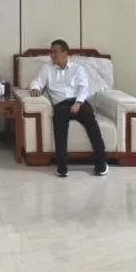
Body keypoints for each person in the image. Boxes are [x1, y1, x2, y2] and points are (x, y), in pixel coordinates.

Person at [29, 39, 108, 178]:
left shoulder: (78, 68)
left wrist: (78, 102)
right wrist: (35, 88)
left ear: (65, 53)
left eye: (55, 52)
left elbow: (83, 88)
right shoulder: (47, 68)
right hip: (61, 104)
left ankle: (101, 162)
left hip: (79, 101)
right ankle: (62, 166)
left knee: (90, 119)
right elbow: (37, 82)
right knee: (59, 123)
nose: (52, 55)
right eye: (51, 52)